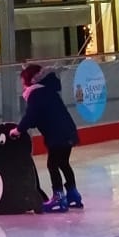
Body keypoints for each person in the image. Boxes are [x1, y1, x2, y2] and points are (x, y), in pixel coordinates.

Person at [18, 62, 81, 211]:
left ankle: (59, 197)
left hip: (57, 135)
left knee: (52, 164)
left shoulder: (36, 93)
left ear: (30, 80)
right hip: (68, 132)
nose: (22, 85)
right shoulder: (49, 90)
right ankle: (73, 194)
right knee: (63, 163)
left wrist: (18, 130)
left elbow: (31, 116)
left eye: (23, 81)